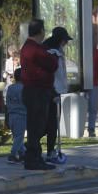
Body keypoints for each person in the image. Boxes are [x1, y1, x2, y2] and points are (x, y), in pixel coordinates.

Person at [20, 19, 58, 170]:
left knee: (38, 124)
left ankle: (35, 156)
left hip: (37, 90)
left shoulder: (31, 47)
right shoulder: (34, 48)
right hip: (36, 91)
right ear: (40, 31)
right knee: (36, 125)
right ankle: (33, 157)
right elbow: (52, 64)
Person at [43, 27, 71, 164]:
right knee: (51, 123)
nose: (66, 43)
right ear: (61, 40)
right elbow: (52, 73)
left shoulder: (57, 51)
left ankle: (48, 149)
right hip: (52, 91)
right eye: (65, 40)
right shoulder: (52, 52)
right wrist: (54, 90)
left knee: (52, 123)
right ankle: (49, 151)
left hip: (56, 90)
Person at [5, 68, 26, 163]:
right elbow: (25, 101)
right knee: (19, 136)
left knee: (16, 135)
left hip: (11, 114)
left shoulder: (10, 88)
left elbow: (7, 102)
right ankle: (12, 154)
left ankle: (23, 153)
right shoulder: (24, 88)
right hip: (21, 114)